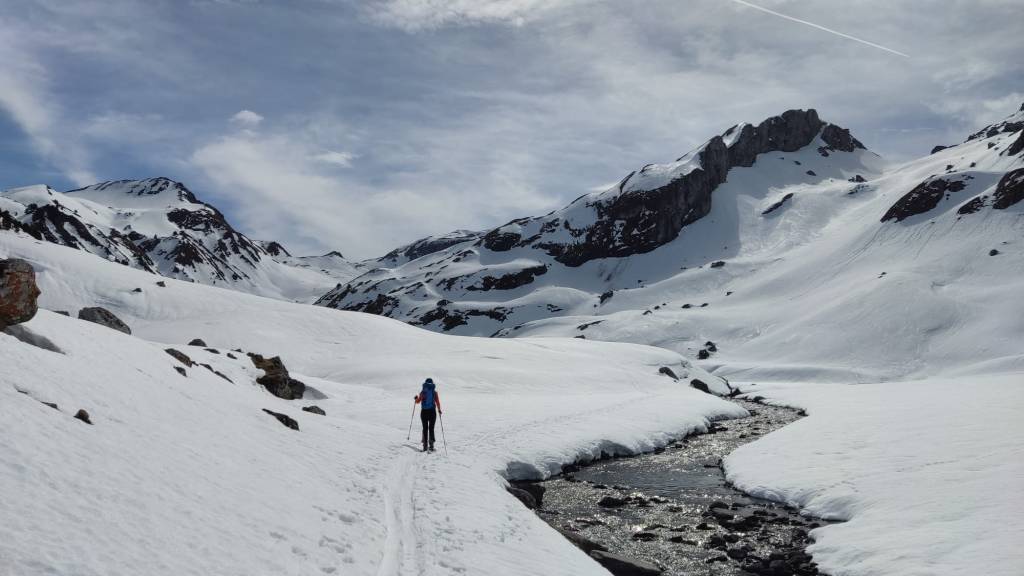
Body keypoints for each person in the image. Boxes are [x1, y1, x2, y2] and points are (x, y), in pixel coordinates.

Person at [414, 378, 442, 452]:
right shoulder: (434, 392)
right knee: (431, 428)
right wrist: (439, 410)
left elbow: (418, 401)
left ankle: (425, 446)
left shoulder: (423, 392)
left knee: (425, 428)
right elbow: (437, 402)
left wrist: (416, 398)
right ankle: (431, 446)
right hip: (432, 412)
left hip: (424, 412)